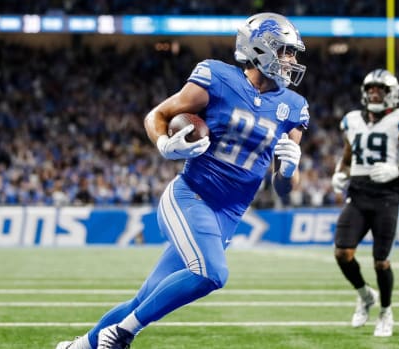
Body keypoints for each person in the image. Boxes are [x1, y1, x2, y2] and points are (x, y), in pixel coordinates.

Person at [56, 12, 309, 349]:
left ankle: (79, 347)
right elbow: (157, 116)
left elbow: (281, 188)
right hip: (192, 197)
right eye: (285, 51)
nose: (290, 60)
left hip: (228, 217)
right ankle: (120, 334)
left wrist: (288, 171)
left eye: (292, 53)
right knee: (212, 274)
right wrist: (165, 144)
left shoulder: (294, 106)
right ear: (260, 48)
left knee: (143, 300)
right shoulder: (218, 78)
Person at [331, 69, 399, 337]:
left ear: (391, 94)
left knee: (381, 261)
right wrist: (340, 173)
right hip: (359, 191)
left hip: (387, 195)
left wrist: (397, 170)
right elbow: (349, 153)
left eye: (381, 90)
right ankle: (365, 295)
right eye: (371, 89)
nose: (375, 93)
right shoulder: (352, 120)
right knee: (342, 252)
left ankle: (386, 312)